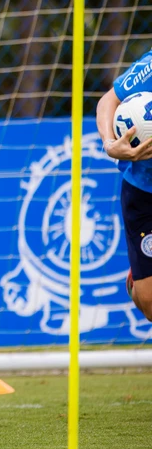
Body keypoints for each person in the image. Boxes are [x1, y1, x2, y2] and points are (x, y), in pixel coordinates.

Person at [97, 54, 152, 321]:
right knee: (149, 302)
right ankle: (137, 281)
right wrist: (110, 143)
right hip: (144, 193)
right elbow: (108, 101)